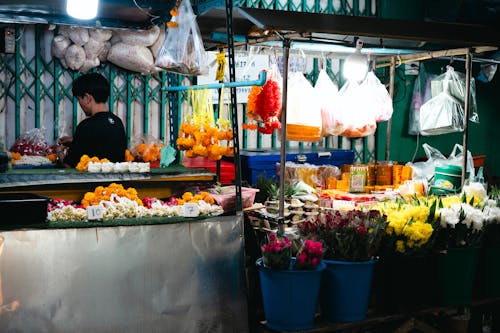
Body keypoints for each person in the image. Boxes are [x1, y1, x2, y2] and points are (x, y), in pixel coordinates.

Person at [57, 73, 127, 168]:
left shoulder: (86, 126)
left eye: (79, 99)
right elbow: (101, 145)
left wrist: (59, 153)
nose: (80, 104)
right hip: (115, 182)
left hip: (94, 182)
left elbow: (69, 166)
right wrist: (75, 141)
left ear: (87, 98)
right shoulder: (117, 122)